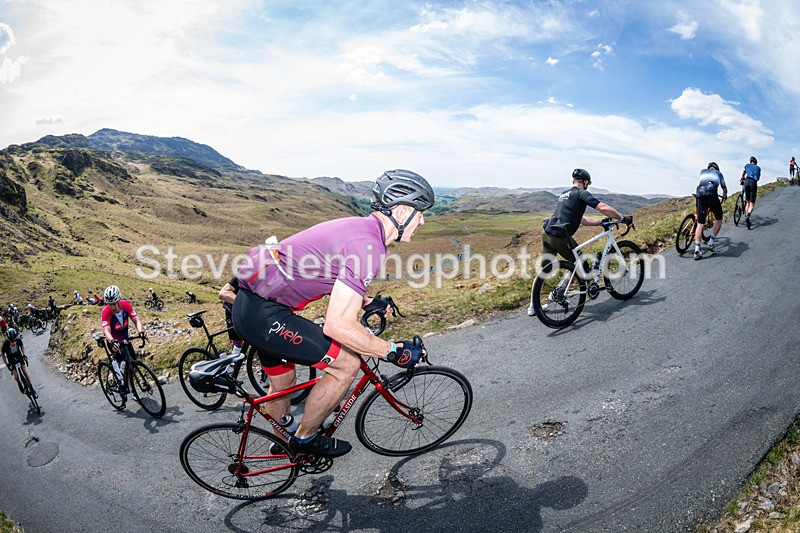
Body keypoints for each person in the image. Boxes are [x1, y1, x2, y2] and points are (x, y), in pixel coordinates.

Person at [232, 169, 434, 458]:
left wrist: (365, 302)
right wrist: (392, 351)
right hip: (267, 316)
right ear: (402, 212)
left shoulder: (359, 228)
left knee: (283, 383)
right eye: (420, 213)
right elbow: (337, 326)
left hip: (248, 307)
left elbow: (331, 273)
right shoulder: (368, 246)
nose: (423, 220)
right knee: (347, 365)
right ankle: (305, 439)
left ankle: (283, 449)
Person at [531, 168, 632, 315]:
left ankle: (533, 307)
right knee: (580, 262)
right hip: (560, 236)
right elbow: (602, 207)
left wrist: (599, 223)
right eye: (588, 184)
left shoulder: (565, 194)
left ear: (573, 181)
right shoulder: (581, 193)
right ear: (585, 182)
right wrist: (622, 218)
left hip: (547, 233)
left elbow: (582, 220)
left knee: (543, 272)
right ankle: (559, 292)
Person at [101, 285, 147, 388]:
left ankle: (130, 387)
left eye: (114, 304)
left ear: (119, 300)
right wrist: (111, 340)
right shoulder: (105, 312)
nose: (113, 307)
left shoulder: (126, 305)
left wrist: (141, 331)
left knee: (133, 365)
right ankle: (116, 377)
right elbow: (106, 330)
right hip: (114, 342)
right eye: (110, 304)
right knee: (123, 363)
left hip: (125, 340)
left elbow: (136, 320)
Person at [693, 162, 728, 260]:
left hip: (700, 194)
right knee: (719, 219)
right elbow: (724, 189)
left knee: (700, 224)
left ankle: (697, 250)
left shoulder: (702, 171)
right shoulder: (719, 174)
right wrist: (724, 197)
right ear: (717, 169)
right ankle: (711, 242)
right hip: (712, 195)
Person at [1, 328, 36, 397]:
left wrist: (23, 354)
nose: (14, 343)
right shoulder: (5, 343)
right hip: (10, 358)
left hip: (18, 355)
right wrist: (7, 364)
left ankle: (32, 389)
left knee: (25, 372)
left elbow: (22, 345)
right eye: (12, 341)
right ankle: (19, 383)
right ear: (8, 339)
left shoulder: (18, 339)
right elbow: (2, 353)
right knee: (16, 377)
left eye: (14, 340)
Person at [740, 156, 761, 229]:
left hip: (747, 181)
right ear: (756, 163)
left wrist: (742, 178)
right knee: (752, 204)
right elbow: (758, 178)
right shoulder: (758, 168)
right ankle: (748, 216)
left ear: (750, 161)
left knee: (747, 202)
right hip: (753, 183)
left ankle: (746, 215)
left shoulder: (747, 165)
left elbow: (743, 173)